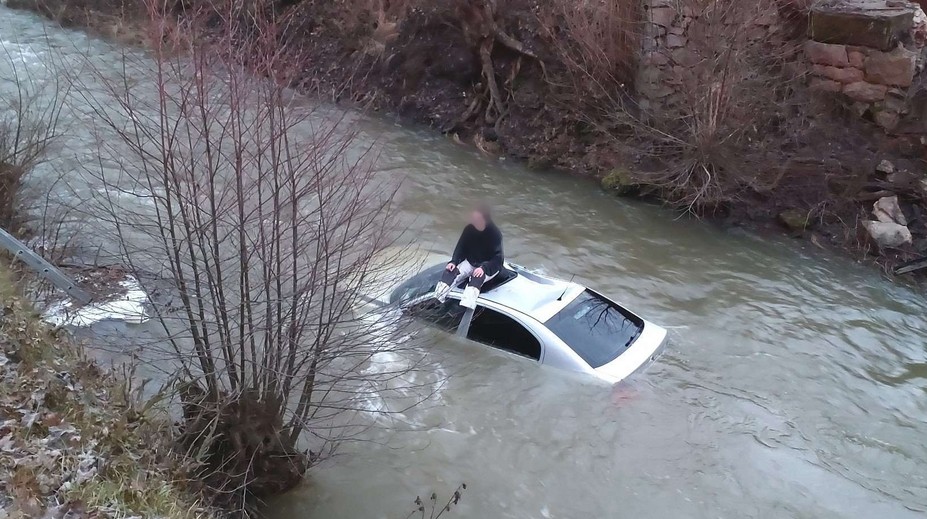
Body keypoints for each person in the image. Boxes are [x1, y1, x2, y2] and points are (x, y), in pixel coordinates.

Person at [434, 204, 504, 309]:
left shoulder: (495, 234)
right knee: (450, 273)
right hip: (472, 262)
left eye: (477, 219)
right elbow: (460, 248)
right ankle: (437, 300)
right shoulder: (469, 229)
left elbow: (498, 259)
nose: (474, 221)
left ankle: (465, 307)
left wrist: (484, 268)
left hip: (488, 267)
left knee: (476, 279)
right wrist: (454, 262)